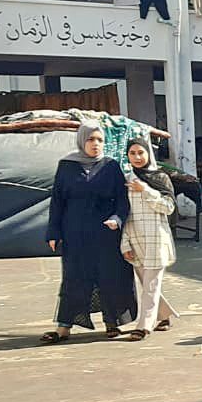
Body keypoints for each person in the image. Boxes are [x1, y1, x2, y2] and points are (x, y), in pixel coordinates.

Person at [42, 123, 138, 343]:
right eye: (91, 139)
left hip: (105, 232)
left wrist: (117, 218)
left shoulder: (111, 166)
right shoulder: (67, 165)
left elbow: (122, 201)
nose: (96, 144)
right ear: (82, 140)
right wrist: (53, 232)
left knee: (109, 276)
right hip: (75, 232)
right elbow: (57, 201)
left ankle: (111, 322)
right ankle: (64, 326)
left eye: (100, 140)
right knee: (74, 277)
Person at [120, 135, 178, 340]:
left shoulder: (160, 178)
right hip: (134, 238)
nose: (137, 157)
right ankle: (164, 315)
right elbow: (122, 211)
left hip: (156, 238)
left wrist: (146, 190)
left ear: (148, 153)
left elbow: (169, 208)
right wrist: (124, 241)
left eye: (141, 152)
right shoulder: (126, 179)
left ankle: (144, 325)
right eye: (132, 153)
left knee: (151, 285)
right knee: (147, 283)